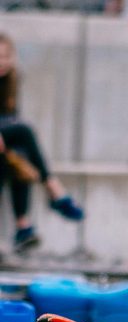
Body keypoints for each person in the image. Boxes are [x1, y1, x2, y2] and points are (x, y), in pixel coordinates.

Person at [0, 32, 84, 256]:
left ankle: (23, 227)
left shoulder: (12, 79)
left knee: (20, 156)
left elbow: (9, 119)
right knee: (25, 130)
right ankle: (54, 189)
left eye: (6, 56)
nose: (2, 62)